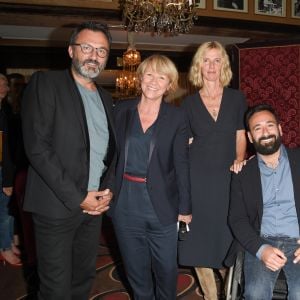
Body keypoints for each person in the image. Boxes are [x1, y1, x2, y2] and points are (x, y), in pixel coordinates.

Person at [21, 21, 116, 300]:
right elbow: (37, 148)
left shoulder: (106, 97)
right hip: (57, 206)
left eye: (101, 51)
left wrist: (106, 192)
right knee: (56, 289)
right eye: (86, 47)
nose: (93, 56)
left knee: (83, 279)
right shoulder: (45, 83)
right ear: (71, 50)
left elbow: (110, 152)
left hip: (93, 206)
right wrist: (77, 197)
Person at [111, 54, 192, 299]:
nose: (154, 81)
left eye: (162, 77)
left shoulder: (177, 117)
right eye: (149, 74)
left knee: (166, 270)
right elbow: (110, 155)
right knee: (135, 270)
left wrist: (185, 207)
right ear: (140, 78)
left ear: (170, 85)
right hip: (124, 203)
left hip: (162, 206)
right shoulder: (121, 110)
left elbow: (181, 164)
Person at [178, 41, 247, 300]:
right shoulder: (187, 104)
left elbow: (241, 135)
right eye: (206, 60)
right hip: (198, 179)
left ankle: (229, 292)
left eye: (216, 60)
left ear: (223, 65)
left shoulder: (237, 98)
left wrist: (240, 158)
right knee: (199, 240)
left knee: (228, 237)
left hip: (228, 177)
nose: (211, 66)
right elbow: (181, 142)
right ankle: (210, 296)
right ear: (198, 65)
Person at [229, 103, 300, 300]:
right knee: (255, 293)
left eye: (270, 125)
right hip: (262, 239)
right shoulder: (242, 174)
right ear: (250, 137)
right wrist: (261, 250)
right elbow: (237, 220)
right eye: (257, 128)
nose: (265, 132)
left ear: (280, 129)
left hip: (298, 240)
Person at [0, 73, 21, 266]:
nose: (6, 88)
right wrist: (7, 178)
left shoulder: (4, 109)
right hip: (2, 169)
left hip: (6, 167)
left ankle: (7, 244)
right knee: (4, 211)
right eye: (3, 84)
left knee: (7, 209)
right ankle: (5, 248)